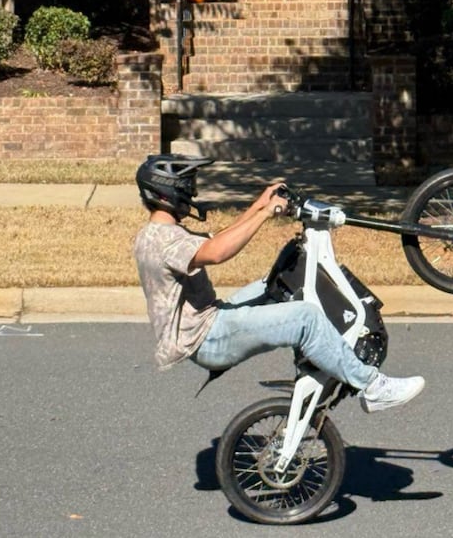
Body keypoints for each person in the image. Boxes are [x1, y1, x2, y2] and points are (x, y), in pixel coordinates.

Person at [132, 154, 426, 413]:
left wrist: (258, 205)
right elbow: (218, 252)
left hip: (210, 322)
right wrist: (265, 213)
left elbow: (219, 238)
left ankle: (320, 355)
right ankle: (372, 387)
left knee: (277, 283)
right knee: (305, 317)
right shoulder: (163, 240)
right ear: (170, 190)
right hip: (208, 337)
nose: (193, 192)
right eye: (189, 185)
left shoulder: (158, 233)